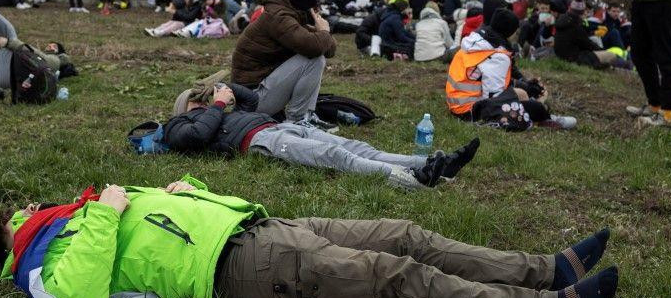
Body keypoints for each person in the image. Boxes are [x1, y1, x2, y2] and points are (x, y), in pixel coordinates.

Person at [0, 177, 619, 298]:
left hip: (260, 225)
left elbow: (163, 224)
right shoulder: (42, 262)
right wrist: (103, 213)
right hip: (240, 267)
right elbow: (80, 295)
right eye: (24, 211)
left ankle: (547, 267)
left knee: (403, 234)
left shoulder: (81, 216)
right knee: (392, 276)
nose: (36, 206)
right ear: (17, 230)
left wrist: (189, 190)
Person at [160, 82, 478, 189]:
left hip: (280, 127)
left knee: (355, 146)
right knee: (335, 157)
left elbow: (252, 101)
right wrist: (215, 103)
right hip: (260, 142)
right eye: (195, 98)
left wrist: (225, 89)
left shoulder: (220, 109)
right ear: (185, 107)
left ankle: (434, 164)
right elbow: (199, 136)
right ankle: (410, 178)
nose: (202, 99)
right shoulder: (180, 125)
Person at [445, 8, 577, 130]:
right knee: (535, 107)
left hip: (457, 104)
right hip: (470, 111)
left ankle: (540, 116)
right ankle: (545, 118)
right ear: (509, 32)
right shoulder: (497, 56)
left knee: (521, 94)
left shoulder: (476, 41)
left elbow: (487, 81)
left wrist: (524, 86)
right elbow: (494, 97)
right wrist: (536, 103)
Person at [232, 0, 335, 124]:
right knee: (315, 60)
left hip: (255, 96)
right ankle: (296, 120)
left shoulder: (286, 14)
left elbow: (328, 49)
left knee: (317, 56)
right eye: (314, 10)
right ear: (304, 9)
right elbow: (315, 47)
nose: (316, 13)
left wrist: (321, 32)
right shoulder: (278, 18)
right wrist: (324, 32)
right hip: (251, 101)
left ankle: (306, 116)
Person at [550, 0, 625, 69]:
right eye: (585, 12)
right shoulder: (576, 26)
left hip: (562, 56)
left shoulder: (562, 21)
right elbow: (588, 44)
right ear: (581, 13)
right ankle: (625, 67)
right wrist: (602, 51)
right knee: (611, 56)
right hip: (575, 59)